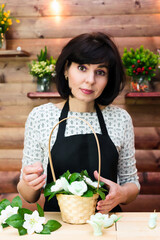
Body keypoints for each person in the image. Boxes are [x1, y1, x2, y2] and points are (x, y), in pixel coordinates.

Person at [17, 32, 140, 213]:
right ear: (66, 69)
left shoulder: (120, 119)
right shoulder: (41, 117)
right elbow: (28, 195)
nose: (90, 80)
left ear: (108, 79)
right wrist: (29, 182)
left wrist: (122, 193)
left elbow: (132, 184)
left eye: (100, 72)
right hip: (58, 227)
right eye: (82, 68)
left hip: (105, 226)